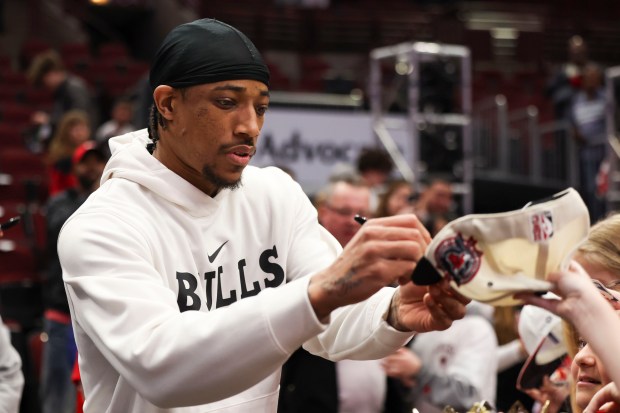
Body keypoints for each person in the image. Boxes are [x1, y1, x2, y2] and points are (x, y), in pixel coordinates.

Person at [57, 19, 468, 413]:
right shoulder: (101, 226)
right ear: (168, 104)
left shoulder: (275, 194)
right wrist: (321, 291)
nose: (250, 126)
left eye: (262, 107)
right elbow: (163, 369)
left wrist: (394, 311)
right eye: (226, 102)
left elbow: (331, 323)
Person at [280, 179, 410, 413]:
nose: (353, 221)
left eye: (362, 213)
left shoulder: (385, 263)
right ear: (323, 212)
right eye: (344, 212)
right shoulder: (296, 260)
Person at [40, 141, 107, 413]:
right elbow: (63, 229)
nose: (91, 168)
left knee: (91, 392)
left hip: (96, 312)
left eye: (96, 162)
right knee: (57, 392)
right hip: (61, 312)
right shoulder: (59, 202)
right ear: (75, 167)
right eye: (85, 162)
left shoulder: (110, 201)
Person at [382, 305, 498, 413]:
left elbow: (468, 397)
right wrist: (406, 378)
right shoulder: (424, 330)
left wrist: (419, 372)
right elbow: (412, 397)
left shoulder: (477, 328)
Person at [27, 49, 97, 149]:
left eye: (44, 81)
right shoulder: (63, 91)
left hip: (81, 145)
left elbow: (79, 119)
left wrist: (48, 120)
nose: (45, 86)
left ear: (52, 73)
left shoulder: (74, 89)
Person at [570, 63, 608, 223]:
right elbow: (574, 124)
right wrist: (576, 133)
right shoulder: (577, 100)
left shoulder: (606, 97)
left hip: (605, 153)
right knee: (591, 191)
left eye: (595, 78)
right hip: (586, 153)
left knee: (605, 190)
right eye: (589, 78)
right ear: (584, 80)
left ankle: (608, 224)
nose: (592, 81)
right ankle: (595, 224)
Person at [45, 110, 93, 197]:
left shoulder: (91, 149)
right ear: (66, 132)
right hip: (63, 200)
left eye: (83, 128)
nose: (80, 133)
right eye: (76, 129)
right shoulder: (60, 154)